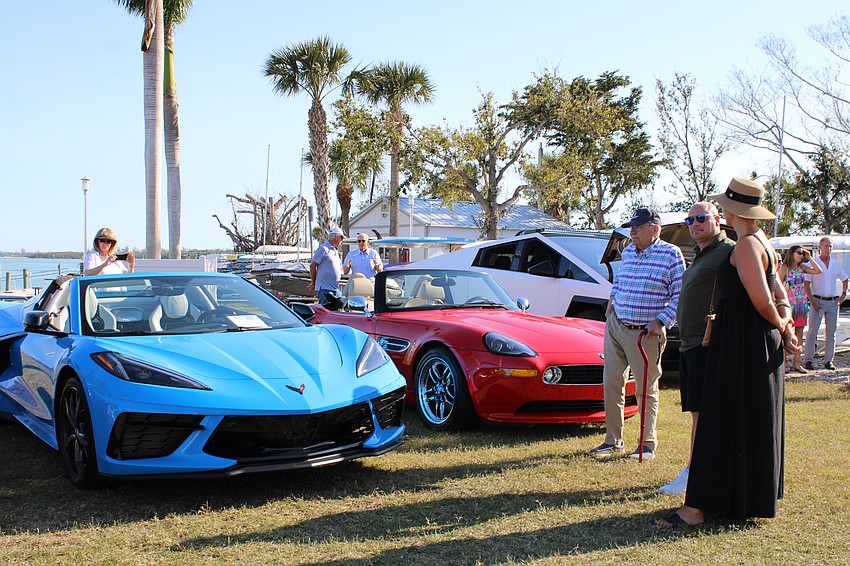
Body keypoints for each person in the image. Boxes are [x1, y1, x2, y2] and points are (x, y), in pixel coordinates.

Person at [656, 177, 800, 529]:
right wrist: (786, 326)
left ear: (733, 211)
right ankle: (732, 499)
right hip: (751, 342)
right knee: (741, 420)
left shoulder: (747, 245)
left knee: (720, 422)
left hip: (743, 343)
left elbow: (762, 299)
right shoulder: (758, 241)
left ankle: (696, 510)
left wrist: (783, 326)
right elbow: (777, 296)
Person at [589, 206, 685, 461]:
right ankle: (613, 440)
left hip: (646, 334)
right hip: (616, 326)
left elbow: (680, 294)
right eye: (631, 227)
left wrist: (662, 321)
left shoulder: (671, 254)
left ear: (655, 229)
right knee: (611, 382)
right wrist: (612, 300)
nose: (632, 231)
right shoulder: (629, 250)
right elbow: (620, 280)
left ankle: (647, 443)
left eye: (638, 227)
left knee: (646, 388)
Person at [658, 202, 734, 496]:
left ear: (718, 220)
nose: (694, 224)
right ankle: (699, 471)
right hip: (690, 345)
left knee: (703, 414)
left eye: (701, 218)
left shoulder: (728, 252)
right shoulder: (701, 255)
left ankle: (694, 474)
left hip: (708, 345)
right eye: (690, 219)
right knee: (697, 412)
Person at [802, 236, 848, 371]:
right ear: (820, 247)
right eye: (826, 246)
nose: (828, 249)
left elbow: (844, 279)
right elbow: (806, 284)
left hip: (832, 301)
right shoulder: (813, 263)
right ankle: (808, 360)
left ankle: (829, 360)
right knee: (812, 332)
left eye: (830, 246)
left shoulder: (835, 263)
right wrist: (812, 300)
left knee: (831, 333)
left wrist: (843, 295)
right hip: (818, 300)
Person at [779, 244, 822, 373]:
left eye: (802, 253)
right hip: (789, 303)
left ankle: (797, 363)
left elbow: (818, 270)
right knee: (787, 333)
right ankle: (784, 363)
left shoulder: (802, 268)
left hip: (801, 303)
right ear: (792, 253)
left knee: (799, 333)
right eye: (799, 253)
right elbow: (779, 284)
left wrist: (810, 258)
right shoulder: (785, 268)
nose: (801, 255)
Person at [309, 227, 345, 306]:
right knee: (325, 313)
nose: (343, 240)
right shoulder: (323, 249)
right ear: (336, 237)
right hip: (325, 289)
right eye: (341, 237)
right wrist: (313, 282)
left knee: (337, 313)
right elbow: (312, 266)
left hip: (336, 288)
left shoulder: (335, 251)